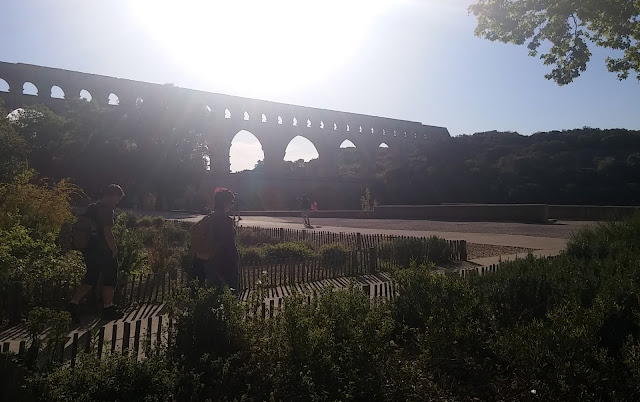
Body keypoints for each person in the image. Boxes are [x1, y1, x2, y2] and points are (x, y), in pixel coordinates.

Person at [68, 184, 125, 323]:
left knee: (90, 279)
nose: (117, 201)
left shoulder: (92, 207)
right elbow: (107, 231)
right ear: (113, 195)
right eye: (118, 198)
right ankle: (108, 309)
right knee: (109, 280)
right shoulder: (106, 210)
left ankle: (73, 304)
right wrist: (114, 249)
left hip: (89, 249)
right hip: (103, 251)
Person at [192, 188, 240, 293]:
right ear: (224, 203)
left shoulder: (209, 218)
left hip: (205, 261)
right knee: (227, 295)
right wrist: (236, 259)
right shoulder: (225, 221)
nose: (232, 205)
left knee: (210, 293)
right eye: (231, 202)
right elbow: (229, 245)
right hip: (221, 264)